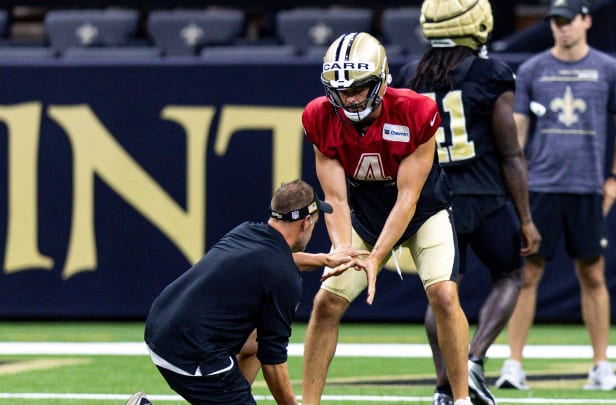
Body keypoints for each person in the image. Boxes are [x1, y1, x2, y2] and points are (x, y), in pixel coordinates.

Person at [301, 32, 474, 405]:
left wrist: (377, 257)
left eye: (359, 87)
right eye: (340, 88)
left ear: (380, 81)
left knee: (444, 294)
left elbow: (408, 197)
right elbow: (335, 198)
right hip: (364, 216)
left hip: (423, 212)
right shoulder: (319, 116)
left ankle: (461, 399)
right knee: (325, 302)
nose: (349, 97)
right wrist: (345, 249)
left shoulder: (416, 111)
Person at [394, 0, 541, 404]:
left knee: (442, 292)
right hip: (485, 194)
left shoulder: (410, 74)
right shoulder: (492, 74)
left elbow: (400, 148)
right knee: (511, 275)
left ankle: (445, 385)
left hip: (434, 198)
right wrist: (526, 218)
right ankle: (473, 360)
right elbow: (511, 152)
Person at [495, 0, 616, 391]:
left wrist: (615, 178)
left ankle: (601, 365)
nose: (562, 28)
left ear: (586, 21)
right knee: (528, 274)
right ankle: (514, 364)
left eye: (568, 21)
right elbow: (518, 134)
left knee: (593, 273)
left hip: (588, 187)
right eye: (556, 22)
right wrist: (517, 184)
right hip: (541, 187)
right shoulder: (533, 69)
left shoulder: (607, 68)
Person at [142, 179, 366, 404]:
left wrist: (323, 259)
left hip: (160, 324)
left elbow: (278, 261)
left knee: (255, 338)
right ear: (306, 222)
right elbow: (273, 362)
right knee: (264, 340)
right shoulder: (284, 278)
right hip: (187, 350)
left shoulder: (247, 231)